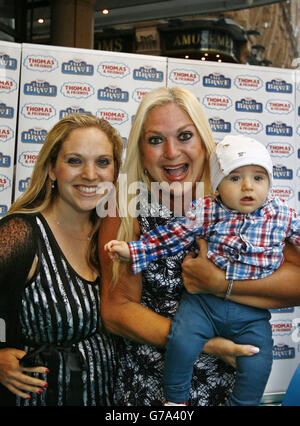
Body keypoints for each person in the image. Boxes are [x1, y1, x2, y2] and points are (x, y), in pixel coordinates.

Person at [99, 87, 282, 406]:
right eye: (155, 140)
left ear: (204, 141)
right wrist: (204, 343)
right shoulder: (127, 209)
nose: (171, 152)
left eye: (184, 136)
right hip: (151, 393)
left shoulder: (240, 199)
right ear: (141, 152)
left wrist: (219, 283)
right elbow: (117, 310)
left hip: (229, 391)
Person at [0, 113, 123, 406]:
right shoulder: (21, 233)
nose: (91, 174)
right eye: (75, 161)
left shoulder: (113, 233)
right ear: (52, 169)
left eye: (103, 162)